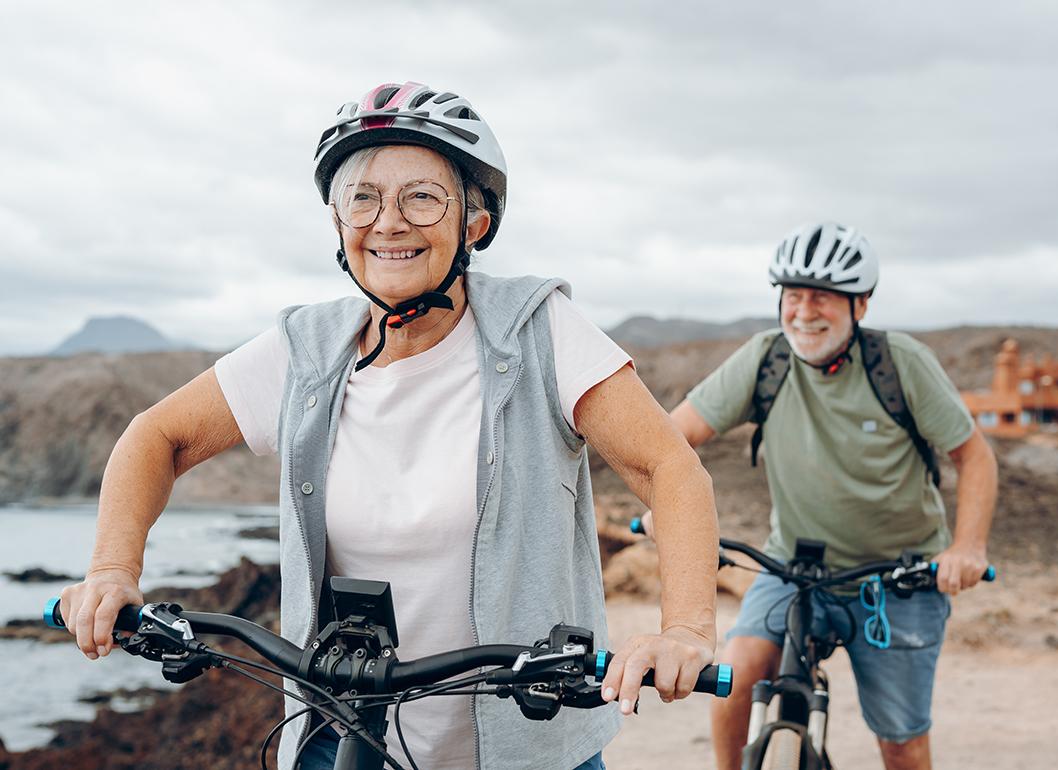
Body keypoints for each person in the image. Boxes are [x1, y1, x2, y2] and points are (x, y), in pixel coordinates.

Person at [57, 81, 721, 770]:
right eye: (362, 197)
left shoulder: (540, 331)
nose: (389, 222)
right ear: (339, 224)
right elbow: (156, 436)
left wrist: (686, 631)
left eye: (422, 197)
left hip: (526, 733)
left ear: (475, 221)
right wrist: (111, 571)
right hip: (338, 729)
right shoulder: (306, 348)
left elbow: (667, 469)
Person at [641, 222, 997, 770]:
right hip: (792, 565)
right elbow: (668, 439)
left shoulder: (901, 364)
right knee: (734, 679)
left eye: (823, 297)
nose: (804, 311)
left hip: (897, 579)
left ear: (861, 304)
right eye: (793, 295)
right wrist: (662, 505)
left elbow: (974, 457)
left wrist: (967, 547)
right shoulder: (767, 358)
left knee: (901, 743)